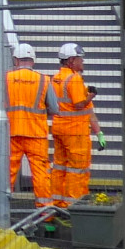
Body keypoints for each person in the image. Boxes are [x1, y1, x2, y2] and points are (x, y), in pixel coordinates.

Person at [3, 42, 59, 208]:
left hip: (11, 132)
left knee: (8, 173)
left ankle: (2, 210)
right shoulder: (43, 80)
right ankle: (45, 214)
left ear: (15, 60)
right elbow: (55, 108)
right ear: (33, 60)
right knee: (41, 174)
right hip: (36, 134)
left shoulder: (5, 78)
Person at [49, 42, 103, 209]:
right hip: (75, 132)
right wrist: (91, 96)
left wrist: (98, 132)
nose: (83, 62)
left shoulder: (56, 78)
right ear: (71, 60)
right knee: (77, 170)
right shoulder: (74, 79)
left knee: (59, 167)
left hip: (60, 128)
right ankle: (74, 205)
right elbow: (80, 104)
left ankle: (56, 203)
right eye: (81, 59)